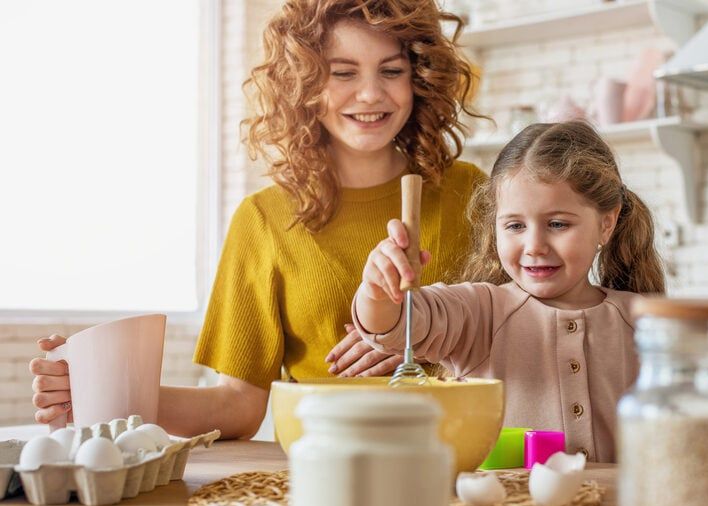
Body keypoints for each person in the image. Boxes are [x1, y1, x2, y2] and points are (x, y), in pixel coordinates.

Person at [30, 0, 485, 438]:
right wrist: (98, 392)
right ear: (303, 84)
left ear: (420, 78)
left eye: (392, 71)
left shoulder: (472, 195)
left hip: (457, 457)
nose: (371, 93)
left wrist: (419, 341)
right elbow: (238, 407)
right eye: (342, 73)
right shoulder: (263, 218)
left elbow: (534, 334)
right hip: (319, 466)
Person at [353, 121, 665, 462]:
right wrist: (377, 291)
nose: (534, 245)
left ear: (607, 222)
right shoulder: (481, 311)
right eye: (515, 225)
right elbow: (397, 325)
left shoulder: (645, 321)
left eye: (558, 224)